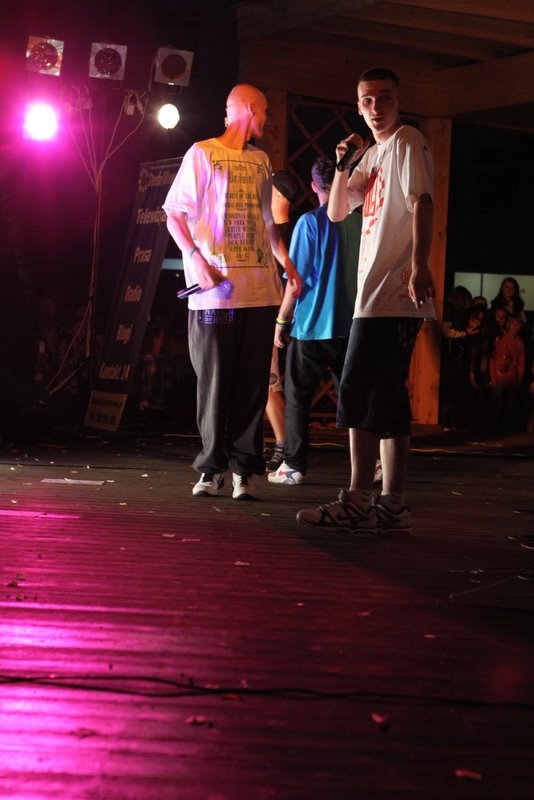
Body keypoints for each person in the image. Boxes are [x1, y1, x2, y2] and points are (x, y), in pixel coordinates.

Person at [297, 67, 435, 533]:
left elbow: (422, 201)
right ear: (358, 107)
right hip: (374, 293)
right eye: (368, 100)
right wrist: (342, 165)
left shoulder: (407, 141)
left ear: (399, 101)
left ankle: (359, 496)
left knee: (357, 388)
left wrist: (420, 263)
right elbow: (337, 211)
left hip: (393, 291)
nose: (376, 107)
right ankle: (391, 502)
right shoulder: (372, 155)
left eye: (385, 97)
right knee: (387, 399)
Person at [162, 83, 301, 501]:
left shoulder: (261, 161)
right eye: (265, 111)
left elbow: (268, 222)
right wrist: (195, 258)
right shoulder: (202, 153)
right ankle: (211, 467)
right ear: (251, 109)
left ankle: (244, 469)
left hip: (260, 293)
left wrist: (287, 264)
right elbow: (174, 214)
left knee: (253, 385)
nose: (268, 120)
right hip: (214, 294)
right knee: (214, 383)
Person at [268, 157, 359, 484]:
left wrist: (281, 321)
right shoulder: (358, 222)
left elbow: (296, 282)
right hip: (349, 327)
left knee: (298, 399)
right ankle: (372, 464)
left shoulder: (309, 223)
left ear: (313, 186)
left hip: (310, 326)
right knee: (354, 400)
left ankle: (294, 466)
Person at [264, 170, 301, 472]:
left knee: (270, 385)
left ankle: (283, 445)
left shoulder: (280, 234)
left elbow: (291, 280)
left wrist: (280, 319)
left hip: (276, 317)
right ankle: (280, 444)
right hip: (283, 318)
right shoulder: (294, 230)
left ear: (278, 194)